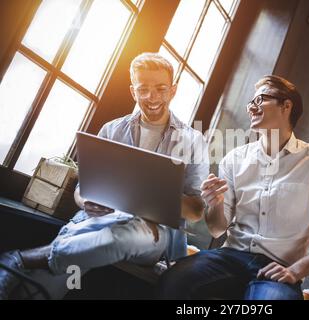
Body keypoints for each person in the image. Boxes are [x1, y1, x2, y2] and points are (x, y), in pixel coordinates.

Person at [0, 52, 209, 299]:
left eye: (161, 89)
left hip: (153, 232)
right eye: (143, 89)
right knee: (46, 286)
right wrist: (84, 200)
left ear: (173, 90)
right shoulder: (112, 129)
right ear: (133, 91)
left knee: (118, 238)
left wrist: (148, 195)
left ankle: (23, 257)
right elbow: (82, 188)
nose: (151, 97)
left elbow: (196, 210)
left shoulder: (193, 140)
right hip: (97, 221)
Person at [157, 75, 309, 300]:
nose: (252, 108)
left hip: (278, 268)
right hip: (228, 257)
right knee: (173, 281)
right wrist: (214, 204)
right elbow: (217, 229)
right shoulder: (234, 159)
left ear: (286, 105)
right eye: (250, 103)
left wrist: (296, 271)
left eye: (260, 100)